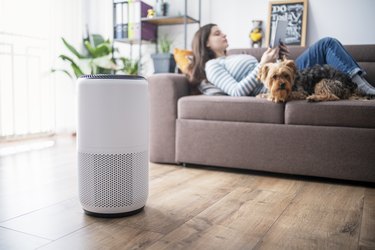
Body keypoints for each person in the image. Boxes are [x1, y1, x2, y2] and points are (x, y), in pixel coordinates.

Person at [186, 23, 375, 96]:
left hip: (282, 74)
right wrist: (262, 63)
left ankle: (362, 85)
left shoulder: (234, 55)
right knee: (326, 44)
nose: (224, 34)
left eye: (222, 31)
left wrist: (279, 57)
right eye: (217, 33)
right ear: (206, 43)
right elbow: (236, 92)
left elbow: (274, 71)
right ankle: (364, 89)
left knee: (327, 44)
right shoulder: (213, 65)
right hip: (269, 87)